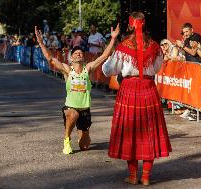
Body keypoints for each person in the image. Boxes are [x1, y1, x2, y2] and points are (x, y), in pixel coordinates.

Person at [102, 12, 171, 186]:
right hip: (148, 89)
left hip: (129, 90)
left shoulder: (123, 46)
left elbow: (109, 70)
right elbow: (156, 68)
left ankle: (133, 176)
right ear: (144, 24)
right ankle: (146, 176)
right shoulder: (154, 46)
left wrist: (107, 59)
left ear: (130, 25)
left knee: (129, 132)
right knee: (149, 133)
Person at [35, 24, 120, 154]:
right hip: (71, 108)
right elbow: (50, 59)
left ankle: (83, 132)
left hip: (85, 109)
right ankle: (66, 139)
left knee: (84, 145)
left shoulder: (88, 69)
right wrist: (41, 42)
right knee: (73, 114)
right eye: (76, 53)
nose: (79, 54)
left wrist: (113, 39)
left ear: (83, 57)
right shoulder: (68, 70)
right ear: (72, 57)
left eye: (80, 52)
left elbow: (103, 56)